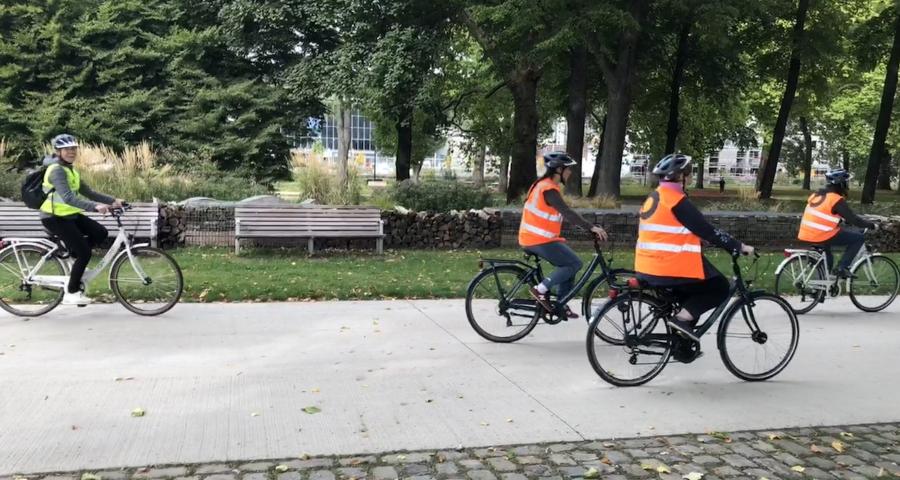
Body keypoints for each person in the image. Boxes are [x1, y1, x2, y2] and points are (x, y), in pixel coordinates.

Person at [634, 153, 754, 342]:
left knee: (691, 295)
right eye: (689, 173)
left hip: (646, 266)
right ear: (682, 177)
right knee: (720, 288)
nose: (690, 177)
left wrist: (698, 239)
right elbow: (708, 230)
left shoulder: (656, 196)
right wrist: (738, 246)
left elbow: (670, 230)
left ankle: (681, 344)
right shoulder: (677, 201)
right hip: (670, 268)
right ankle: (681, 320)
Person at [519, 151, 608, 319]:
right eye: (568, 169)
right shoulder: (548, 188)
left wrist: (584, 228)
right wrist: (591, 227)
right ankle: (540, 289)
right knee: (573, 263)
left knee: (569, 263)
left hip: (538, 237)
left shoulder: (543, 185)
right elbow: (567, 212)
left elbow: (558, 214)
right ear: (558, 169)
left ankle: (561, 304)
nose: (570, 172)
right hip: (537, 239)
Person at [40, 134, 124, 306]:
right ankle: (71, 292)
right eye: (67, 149)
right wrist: (95, 207)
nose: (71, 152)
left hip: (69, 215)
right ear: (58, 151)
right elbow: (69, 197)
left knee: (100, 232)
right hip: (54, 217)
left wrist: (113, 201)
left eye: (73, 148)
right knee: (85, 253)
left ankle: (75, 258)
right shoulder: (56, 171)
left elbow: (89, 192)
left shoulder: (71, 170)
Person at [797, 169, 877, 278]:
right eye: (845, 183)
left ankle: (821, 289)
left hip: (806, 233)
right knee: (858, 238)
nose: (846, 186)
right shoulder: (835, 199)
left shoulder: (817, 195)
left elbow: (824, 214)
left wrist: (841, 220)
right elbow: (854, 219)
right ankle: (842, 268)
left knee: (827, 256)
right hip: (822, 235)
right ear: (841, 184)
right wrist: (871, 225)